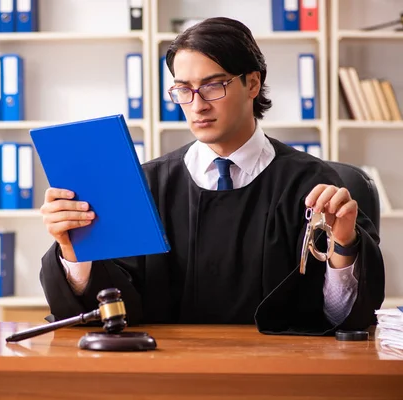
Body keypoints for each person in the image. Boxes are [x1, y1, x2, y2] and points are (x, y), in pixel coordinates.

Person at [37, 17, 385, 335]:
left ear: (252, 84)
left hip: (279, 373)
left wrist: (344, 244)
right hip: (165, 371)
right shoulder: (147, 186)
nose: (198, 104)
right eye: (183, 89)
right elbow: (112, 309)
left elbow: (341, 318)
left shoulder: (312, 184)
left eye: (214, 85)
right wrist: (74, 250)